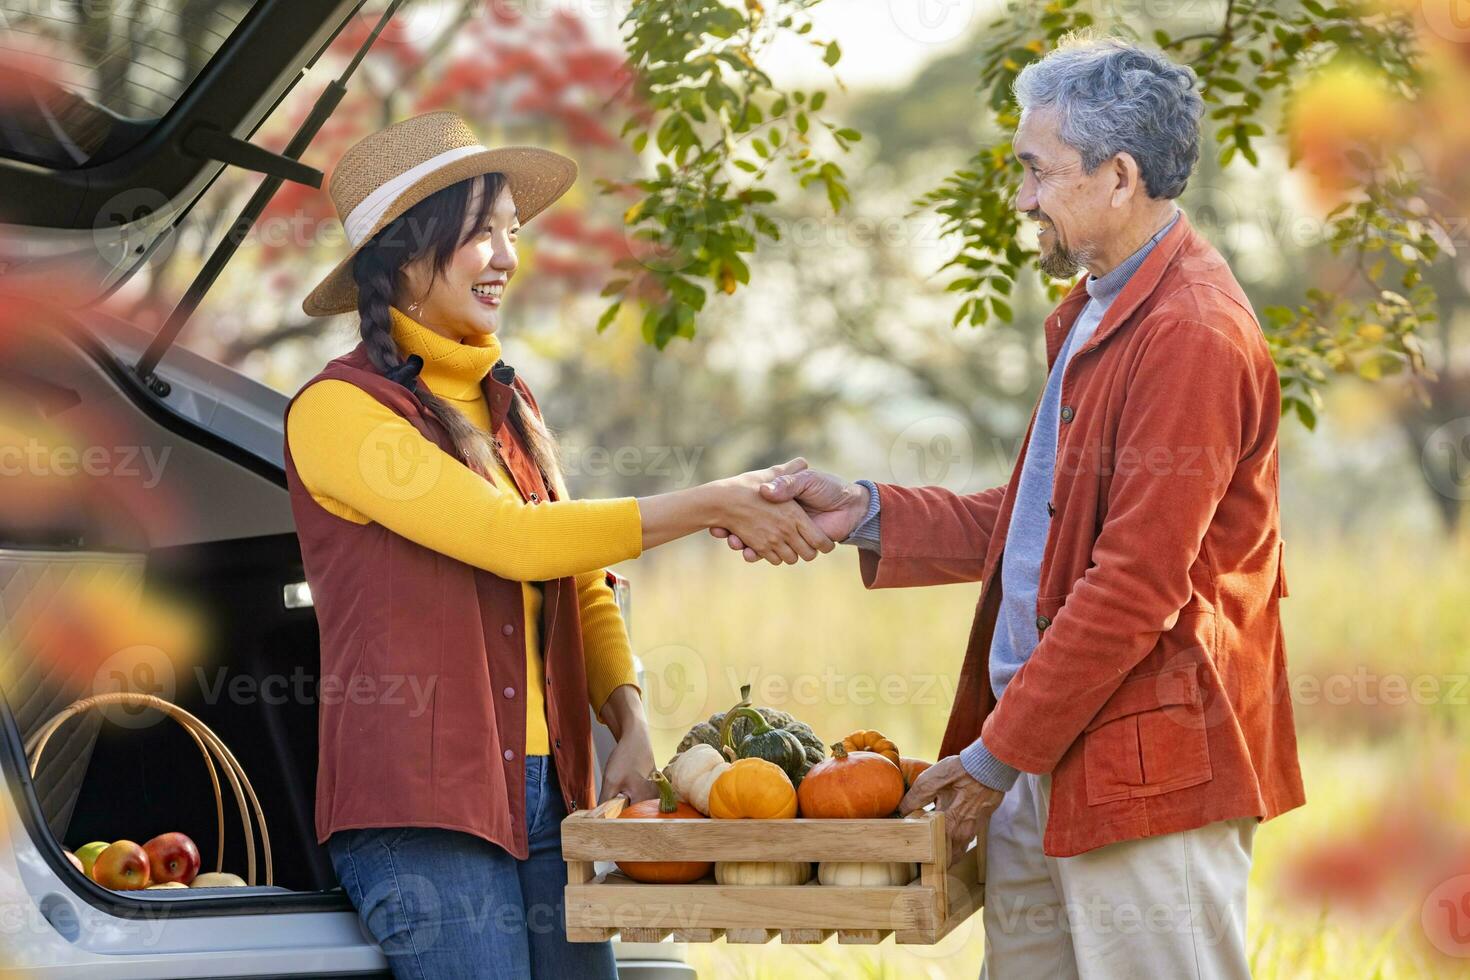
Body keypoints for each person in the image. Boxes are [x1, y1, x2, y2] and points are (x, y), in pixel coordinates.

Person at [714, 36, 1304, 979]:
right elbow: (1044, 528)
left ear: (1119, 177)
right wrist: (861, 511)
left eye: (1036, 169)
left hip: (1147, 780)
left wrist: (992, 758)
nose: (1022, 195)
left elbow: (1134, 585)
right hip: (1042, 756)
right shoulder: (1097, 312)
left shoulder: (1190, 331)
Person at [285, 110, 832, 980]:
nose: (507, 256)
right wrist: (710, 504)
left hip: (556, 797)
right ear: (401, 255)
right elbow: (513, 541)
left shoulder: (512, 404)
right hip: (427, 817)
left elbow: (581, 576)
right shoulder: (337, 412)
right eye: (480, 234)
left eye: (512, 232)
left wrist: (629, 719)